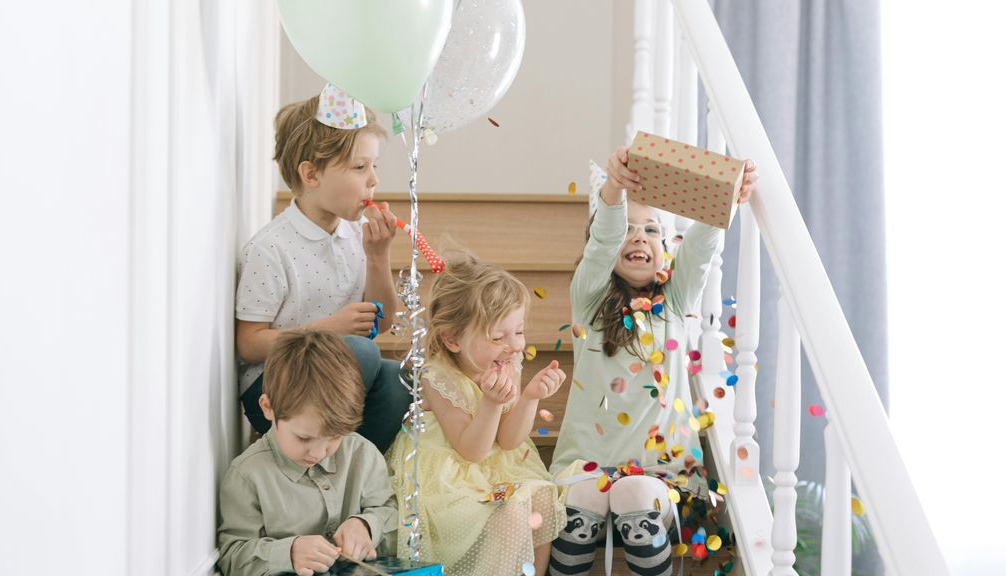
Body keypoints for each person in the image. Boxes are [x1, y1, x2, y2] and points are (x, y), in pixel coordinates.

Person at [548, 147, 757, 576]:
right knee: (586, 497)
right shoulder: (587, 299)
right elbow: (602, 241)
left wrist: (725, 195)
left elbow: (699, 250)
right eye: (628, 228)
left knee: (633, 494)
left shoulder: (676, 304)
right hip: (583, 466)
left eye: (651, 230)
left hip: (662, 474)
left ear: (664, 249)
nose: (639, 236)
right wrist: (614, 190)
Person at [235, 84, 409, 453]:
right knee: (360, 353)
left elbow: (383, 322)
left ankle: (350, 471)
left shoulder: (353, 237)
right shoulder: (271, 248)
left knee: (398, 380)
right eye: (360, 167)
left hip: (334, 381)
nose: (373, 179)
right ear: (311, 174)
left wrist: (378, 257)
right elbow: (249, 344)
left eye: (373, 166)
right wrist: (329, 329)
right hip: (273, 390)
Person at [386, 253, 568, 576]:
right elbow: (472, 449)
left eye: (519, 332)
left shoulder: (507, 362)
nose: (514, 346)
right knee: (509, 514)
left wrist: (528, 397)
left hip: (497, 468)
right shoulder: (437, 376)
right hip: (448, 480)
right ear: (453, 339)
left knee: (541, 497)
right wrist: (491, 403)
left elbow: (510, 440)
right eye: (498, 337)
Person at [218, 329, 398, 576]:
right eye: (304, 437)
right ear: (268, 408)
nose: (318, 452)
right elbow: (232, 555)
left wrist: (367, 526)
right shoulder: (247, 476)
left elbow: (393, 514)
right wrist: (288, 553)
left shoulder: (362, 455)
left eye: (334, 437)